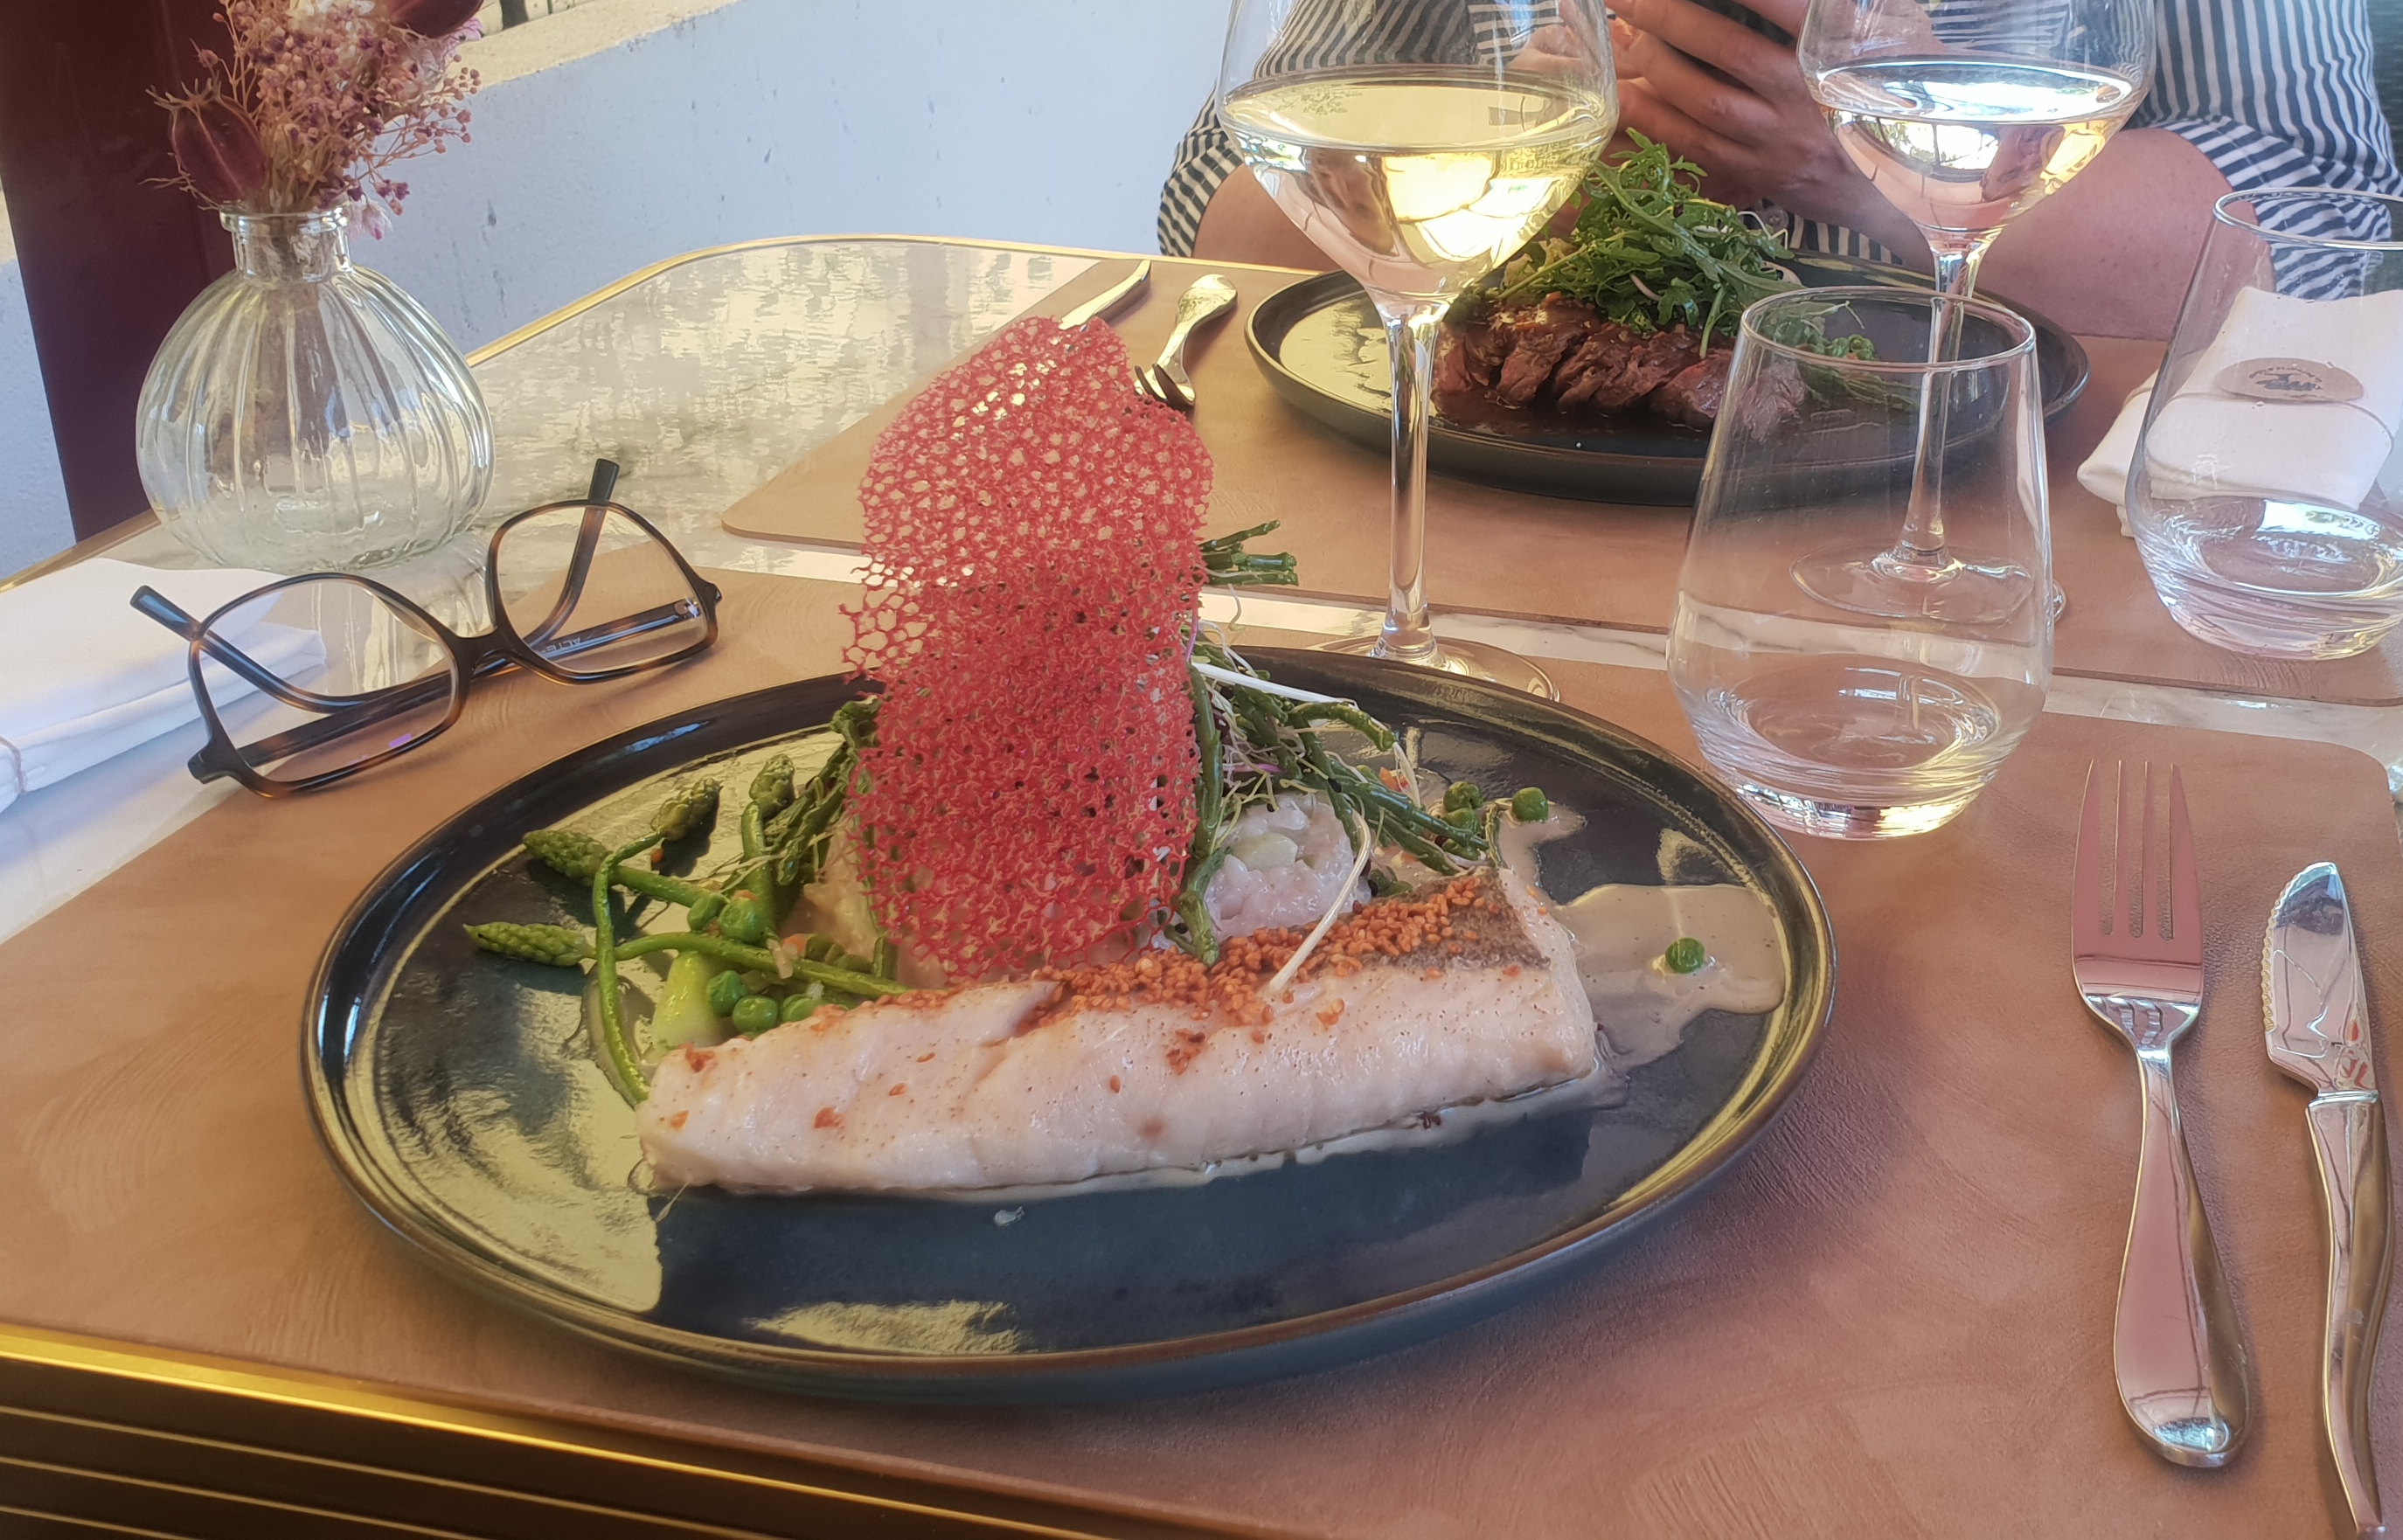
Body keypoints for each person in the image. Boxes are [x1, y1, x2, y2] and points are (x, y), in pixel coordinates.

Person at [1160, 0, 2401, 337]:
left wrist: (1889, 159)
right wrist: (1528, 178)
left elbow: (2329, 227)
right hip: (1511, 505)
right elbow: (1218, 208)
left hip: (1996, 526)